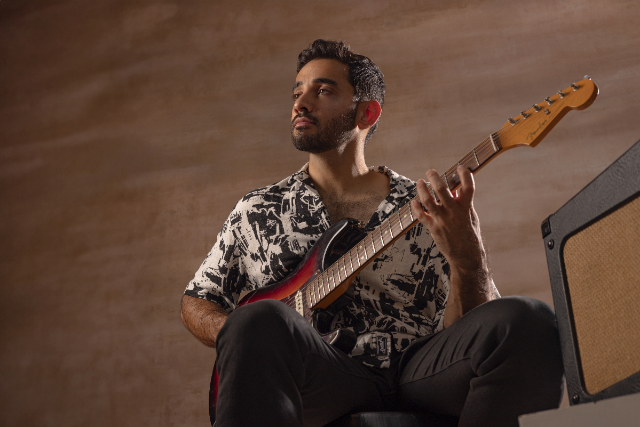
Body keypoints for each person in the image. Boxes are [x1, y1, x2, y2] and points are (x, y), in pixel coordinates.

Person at [181, 39, 564, 427]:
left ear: (367, 112)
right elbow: (197, 300)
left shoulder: (426, 206)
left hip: (421, 370)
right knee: (257, 319)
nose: (301, 103)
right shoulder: (257, 211)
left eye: (322, 91)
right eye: (297, 93)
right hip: (325, 373)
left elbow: (469, 326)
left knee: (529, 321)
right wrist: (239, 334)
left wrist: (469, 259)